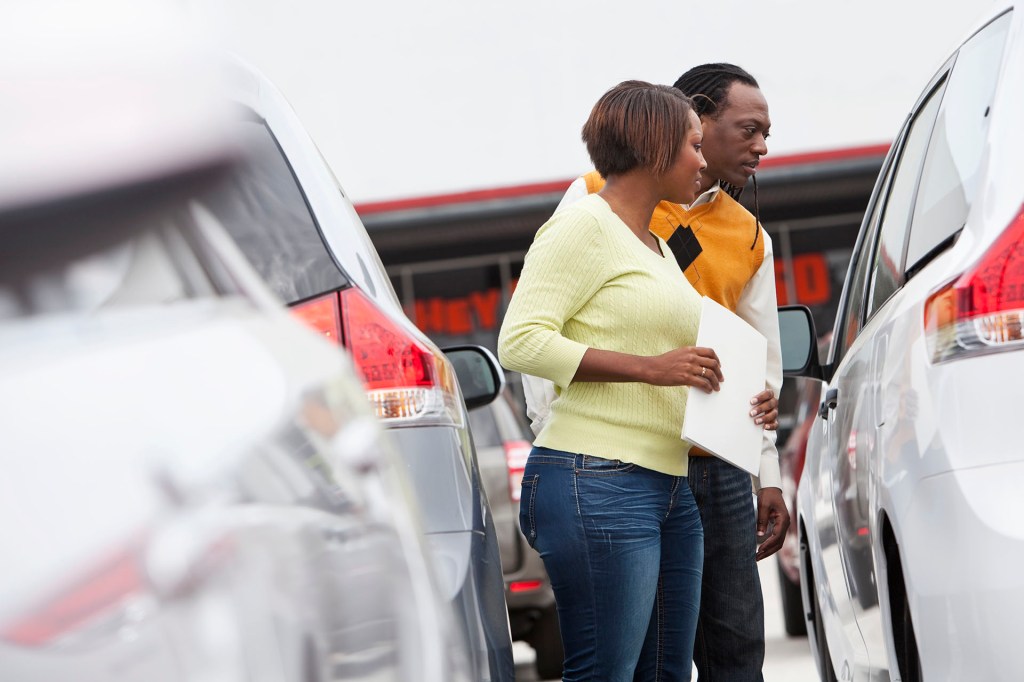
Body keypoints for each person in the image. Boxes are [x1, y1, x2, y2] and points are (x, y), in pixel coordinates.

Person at [521, 63, 790, 681]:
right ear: (691, 122)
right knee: (621, 661)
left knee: (720, 649)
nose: (762, 147)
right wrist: (559, 433)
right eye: (745, 129)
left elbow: (757, 359)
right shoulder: (594, 203)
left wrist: (766, 464)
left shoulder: (740, 237)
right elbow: (536, 332)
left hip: (703, 464)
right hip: (609, 466)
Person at [499, 80, 719, 682]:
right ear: (654, 149)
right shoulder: (582, 227)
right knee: (607, 675)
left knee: (668, 674)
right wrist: (651, 369)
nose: (703, 161)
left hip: (670, 485)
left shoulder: (657, 246)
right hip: (594, 477)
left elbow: (665, 353)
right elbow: (520, 340)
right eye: (693, 146)